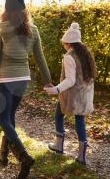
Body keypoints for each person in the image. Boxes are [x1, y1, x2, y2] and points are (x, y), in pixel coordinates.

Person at [0, 0, 52, 179]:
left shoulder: (1, 27)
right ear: (24, 11)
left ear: (6, 10)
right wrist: (47, 81)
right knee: (9, 120)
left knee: (2, 119)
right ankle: (3, 156)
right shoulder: (33, 30)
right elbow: (40, 58)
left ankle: (24, 158)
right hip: (23, 79)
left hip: (4, 79)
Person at [44, 22, 96, 165]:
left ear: (68, 42)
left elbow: (70, 80)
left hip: (71, 95)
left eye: (64, 43)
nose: (63, 45)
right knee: (80, 120)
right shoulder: (85, 54)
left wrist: (56, 89)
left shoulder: (69, 57)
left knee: (58, 115)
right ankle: (82, 156)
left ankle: (59, 146)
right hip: (85, 94)